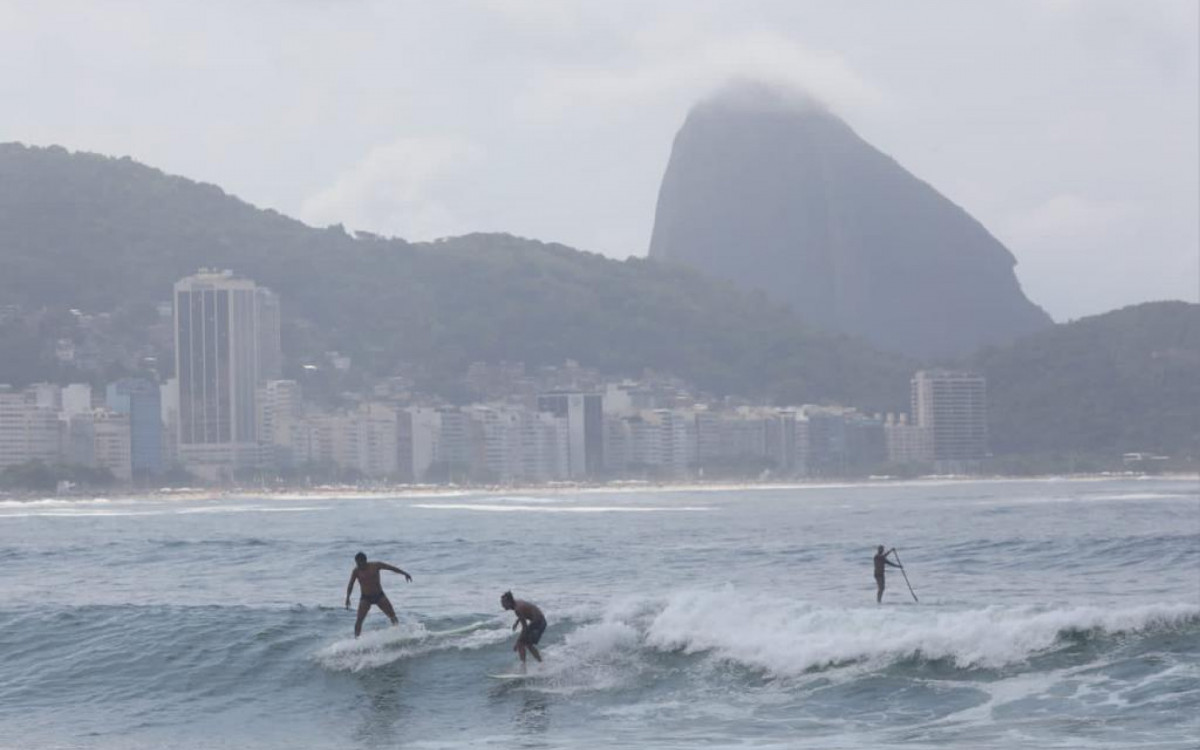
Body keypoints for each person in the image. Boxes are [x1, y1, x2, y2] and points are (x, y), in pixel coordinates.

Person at [345, 551, 412, 637]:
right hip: (365, 598)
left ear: (365, 561)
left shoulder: (375, 565)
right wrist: (347, 598)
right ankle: (356, 640)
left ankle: (398, 634)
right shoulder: (356, 571)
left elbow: (391, 568)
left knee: (392, 616)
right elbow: (351, 584)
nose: (358, 566)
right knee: (359, 621)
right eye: (357, 563)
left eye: (359, 563)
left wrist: (405, 573)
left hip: (379, 596)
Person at [500, 590, 546, 671]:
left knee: (521, 643)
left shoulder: (518, 609)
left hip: (539, 623)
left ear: (509, 602)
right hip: (539, 622)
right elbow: (525, 612)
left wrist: (517, 641)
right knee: (527, 644)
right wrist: (517, 622)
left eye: (503, 603)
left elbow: (525, 628)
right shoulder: (517, 603)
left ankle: (524, 667)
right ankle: (540, 664)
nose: (502, 605)